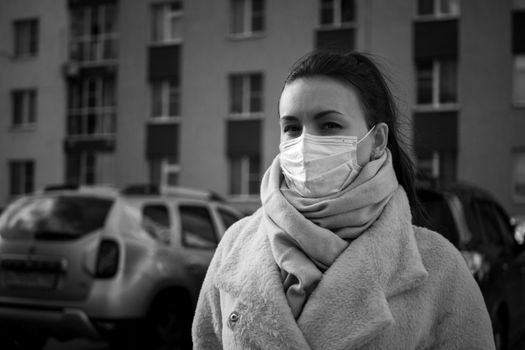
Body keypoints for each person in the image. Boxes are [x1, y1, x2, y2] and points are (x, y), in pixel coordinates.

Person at [192, 51, 495, 349]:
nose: (305, 143)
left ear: (376, 141)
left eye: (329, 125)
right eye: (292, 128)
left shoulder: (440, 268)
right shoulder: (235, 246)